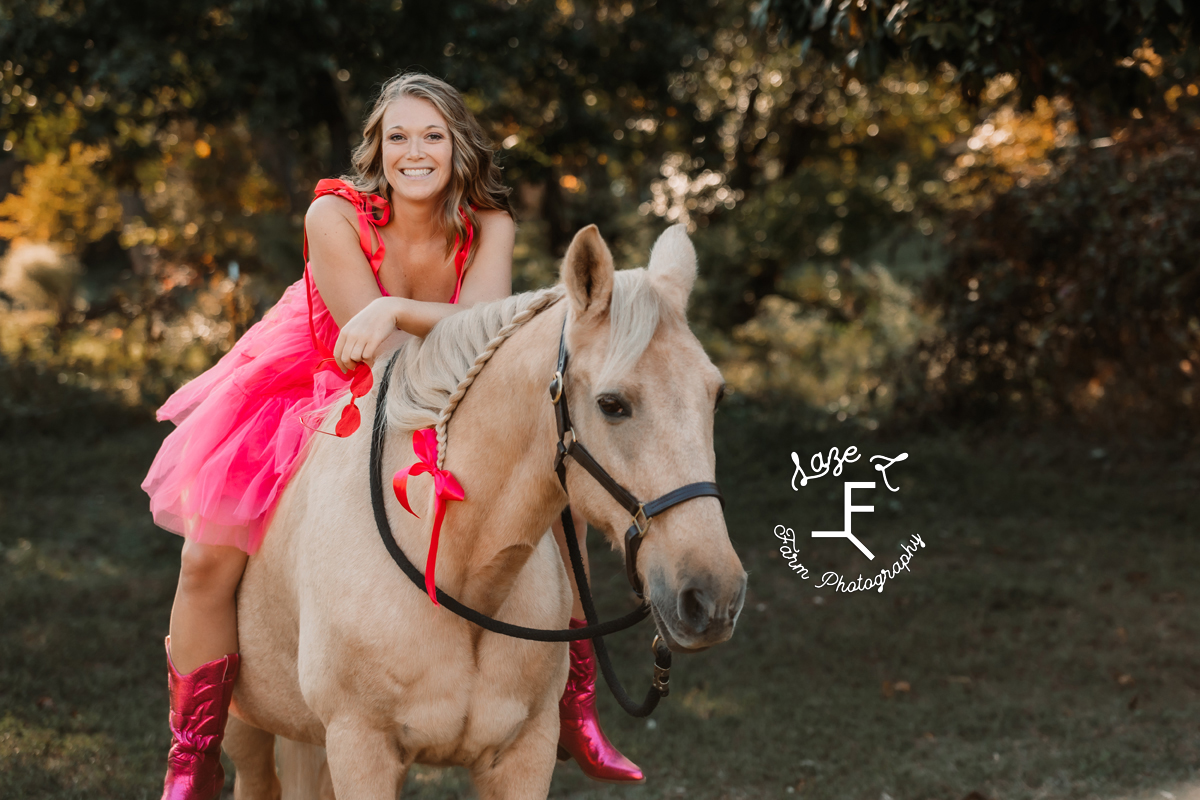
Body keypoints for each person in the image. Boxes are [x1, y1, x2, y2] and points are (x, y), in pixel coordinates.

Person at [140, 73, 643, 800]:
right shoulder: (332, 215)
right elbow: (363, 337)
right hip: (318, 376)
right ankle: (193, 755)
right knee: (206, 559)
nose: (415, 151)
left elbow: (487, 328)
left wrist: (402, 309)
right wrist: (412, 318)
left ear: (457, 146)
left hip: (450, 388)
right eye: (398, 136)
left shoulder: (488, 222)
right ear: (377, 148)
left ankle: (575, 706)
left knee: (563, 515)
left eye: (432, 135)